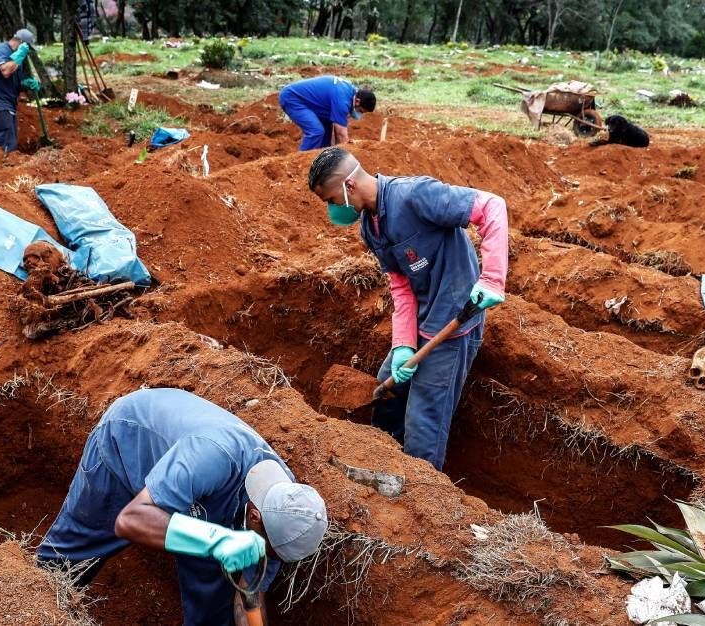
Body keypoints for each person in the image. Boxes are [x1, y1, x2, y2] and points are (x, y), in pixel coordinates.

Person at [37, 388, 328, 625]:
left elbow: (249, 595)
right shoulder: (213, 456)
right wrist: (219, 540)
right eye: (268, 551)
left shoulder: (286, 512)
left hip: (205, 503)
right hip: (126, 447)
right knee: (63, 566)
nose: (269, 557)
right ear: (255, 515)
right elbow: (130, 521)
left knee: (214, 609)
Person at [306, 146, 509, 471]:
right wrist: (402, 345)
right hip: (420, 321)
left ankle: (421, 492)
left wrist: (493, 278)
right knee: (386, 393)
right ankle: (382, 467)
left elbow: (491, 206)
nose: (332, 211)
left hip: (454, 325)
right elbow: (401, 286)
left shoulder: (415, 196)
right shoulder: (370, 227)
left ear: (349, 186)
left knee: (423, 425)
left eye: (330, 200)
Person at [0, 28, 41, 154]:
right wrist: (19, 55)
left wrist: (26, 84)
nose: (28, 52)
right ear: (21, 42)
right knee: (8, 145)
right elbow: (6, 71)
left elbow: (16, 82)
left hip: (8, 104)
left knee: (11, 141)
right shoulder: (1, 49)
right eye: (28, 48)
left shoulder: (18, 60)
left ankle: (9, 168)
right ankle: (7, 170)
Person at [278, 75, 375, 151]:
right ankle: (299, 163)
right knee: (316, 131)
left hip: (311, 102)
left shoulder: (351, 92)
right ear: (357, 101)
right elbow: (341, 134)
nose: (359, 114)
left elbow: (339, 136)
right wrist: (347, 156)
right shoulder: (343, 100)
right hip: (293, 98)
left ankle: (322, 162)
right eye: (361, 111)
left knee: (326, 132)